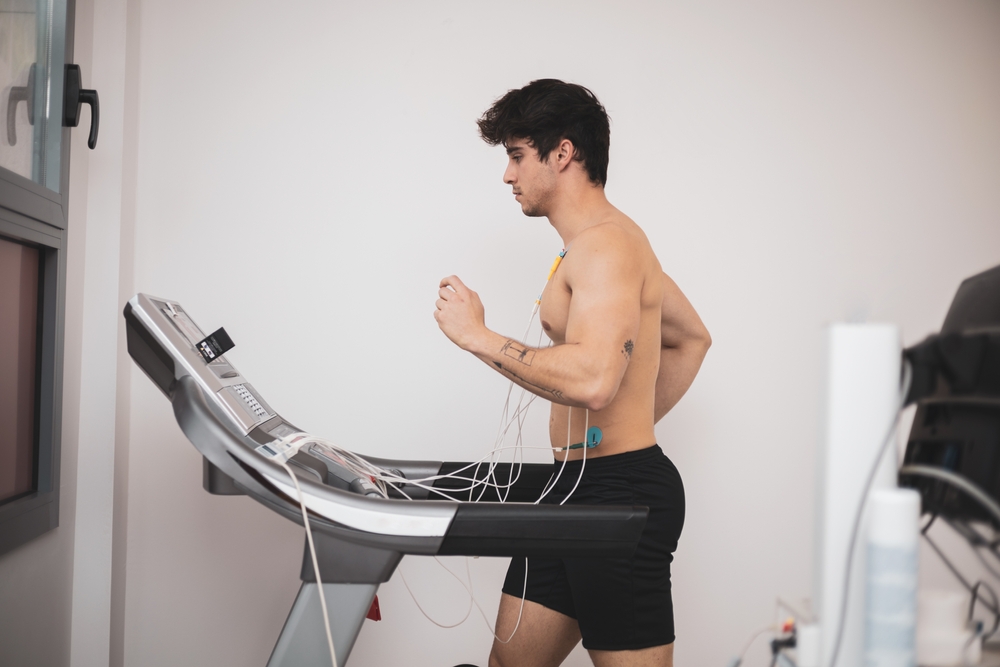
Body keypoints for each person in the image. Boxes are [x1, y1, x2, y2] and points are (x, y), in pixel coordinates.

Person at [433, 79, 711, 667]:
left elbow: (592, 379)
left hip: (619, 496)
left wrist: (477, 337)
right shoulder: (594, 245)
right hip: (572, 489)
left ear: (561, 154)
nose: (507, 176)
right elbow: (691, 337)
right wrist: (618, 422)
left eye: (516, 156)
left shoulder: (607, 247)